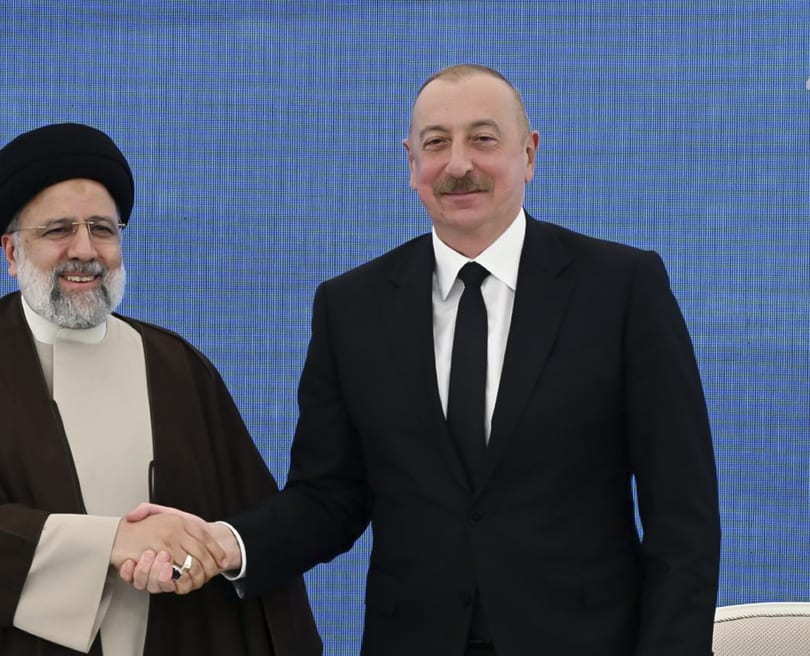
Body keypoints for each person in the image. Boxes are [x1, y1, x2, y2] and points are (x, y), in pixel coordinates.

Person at [125, 65, 721, 655]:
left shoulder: (621, 288)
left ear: (529, 153)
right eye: (436, 143)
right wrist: (228, 542)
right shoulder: (349, 307)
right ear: (412, 162)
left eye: (483, 139)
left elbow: (683, 518)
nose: (459, 164)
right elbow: (330, 497)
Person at [0, 123, 321, 656]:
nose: (85, 250)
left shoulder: (176, 367)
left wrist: (202, 551)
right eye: (59, 229)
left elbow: (244, 516)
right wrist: (111, 543)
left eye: (103, 229)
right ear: (11, 252)